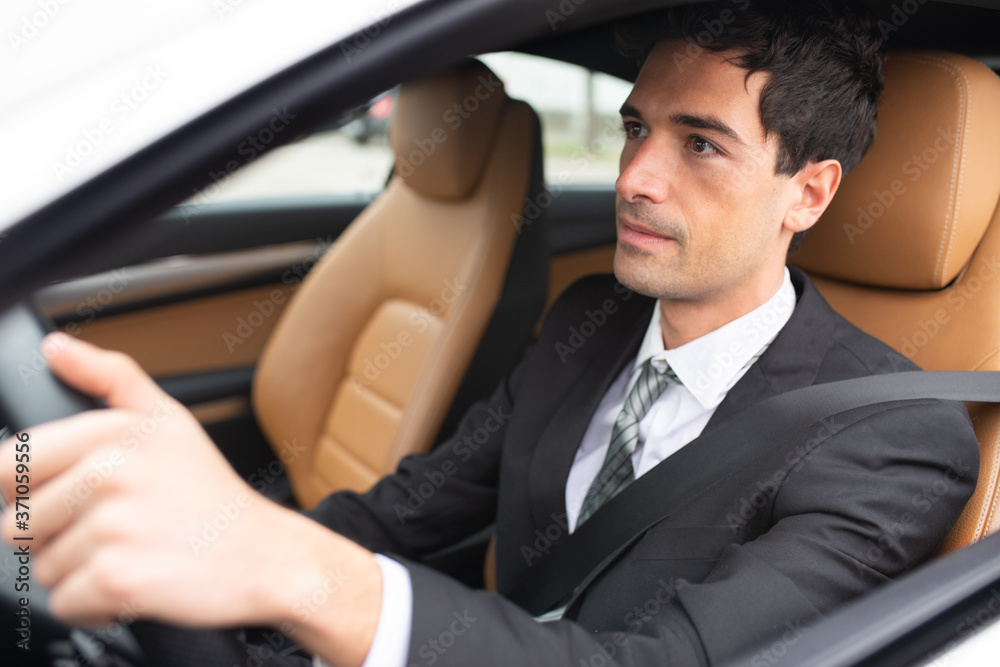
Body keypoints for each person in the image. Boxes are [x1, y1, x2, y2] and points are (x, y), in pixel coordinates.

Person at [0, 1, 981, 666]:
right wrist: (205, 540)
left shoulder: (891, 438)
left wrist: (294, 574)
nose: (636, 176)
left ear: (807, 193)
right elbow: (407, 513)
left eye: (701, 145)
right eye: (638, 128)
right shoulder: (583, 325)